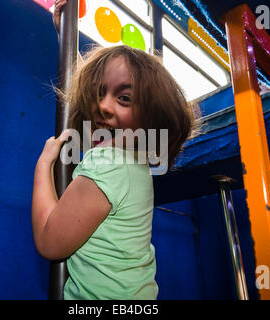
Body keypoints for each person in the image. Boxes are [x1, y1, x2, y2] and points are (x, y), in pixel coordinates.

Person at [31, 0, 196, 299]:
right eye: (98, 93)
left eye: (124, 99)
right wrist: (65, 35)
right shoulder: (135, 162)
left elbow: (48, 241)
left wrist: (43, 165)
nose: (102, 106)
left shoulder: (108, 162)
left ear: (149, 118)